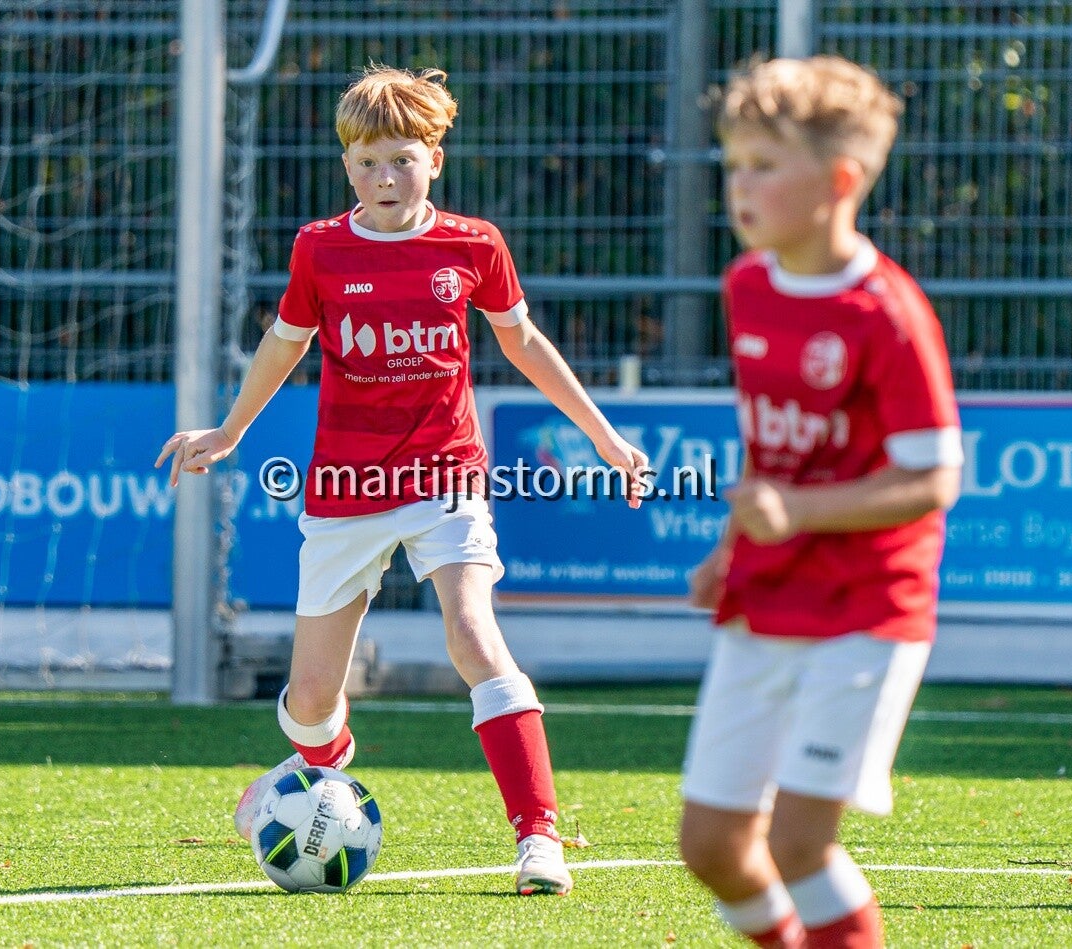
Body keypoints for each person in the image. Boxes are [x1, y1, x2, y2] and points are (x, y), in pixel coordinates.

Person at [155, 64, 647, 897]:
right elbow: (284, 343)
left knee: (472, 634)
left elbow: (523, 341)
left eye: (402, 160)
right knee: (311, 699)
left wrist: (603, 436)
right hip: (345, 491)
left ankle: (537, 836)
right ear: (346, 166)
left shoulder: (473, 245)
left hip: (445, 477)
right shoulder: (319, 248)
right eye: (368, 162)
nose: (385, 178)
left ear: (434, 160)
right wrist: (230, 429)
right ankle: (316, 762)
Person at [681, 56, 963, 948]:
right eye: (733, 162)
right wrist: (730, 549)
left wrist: (799, 514)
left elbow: (933, 480)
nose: (739, 184)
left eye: (763, 164)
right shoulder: (747, 285)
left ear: (839, 181)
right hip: (765, 594)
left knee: (797, 843)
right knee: (711, 846)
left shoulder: (888, 315)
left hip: (865, 610)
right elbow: (769, 449)